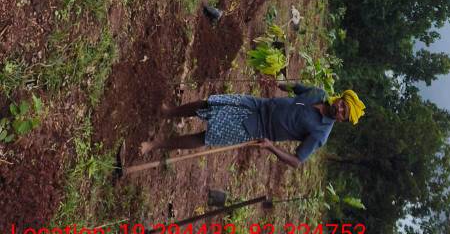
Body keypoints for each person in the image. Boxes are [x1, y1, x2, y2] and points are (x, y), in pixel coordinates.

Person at [139, 84, 365, 167]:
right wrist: (280, 83)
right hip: (259, 104)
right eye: (343, 105)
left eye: (344, 114)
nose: (340, 110)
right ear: (340, 98)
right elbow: (296, 88)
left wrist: (270, 147)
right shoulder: (319, 93)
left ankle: (154, 145)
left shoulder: (320, 134)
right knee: (211, 103)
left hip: (258, 128)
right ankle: (168, 112)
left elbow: (297, 161)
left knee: (207, 136)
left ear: (343, 120)